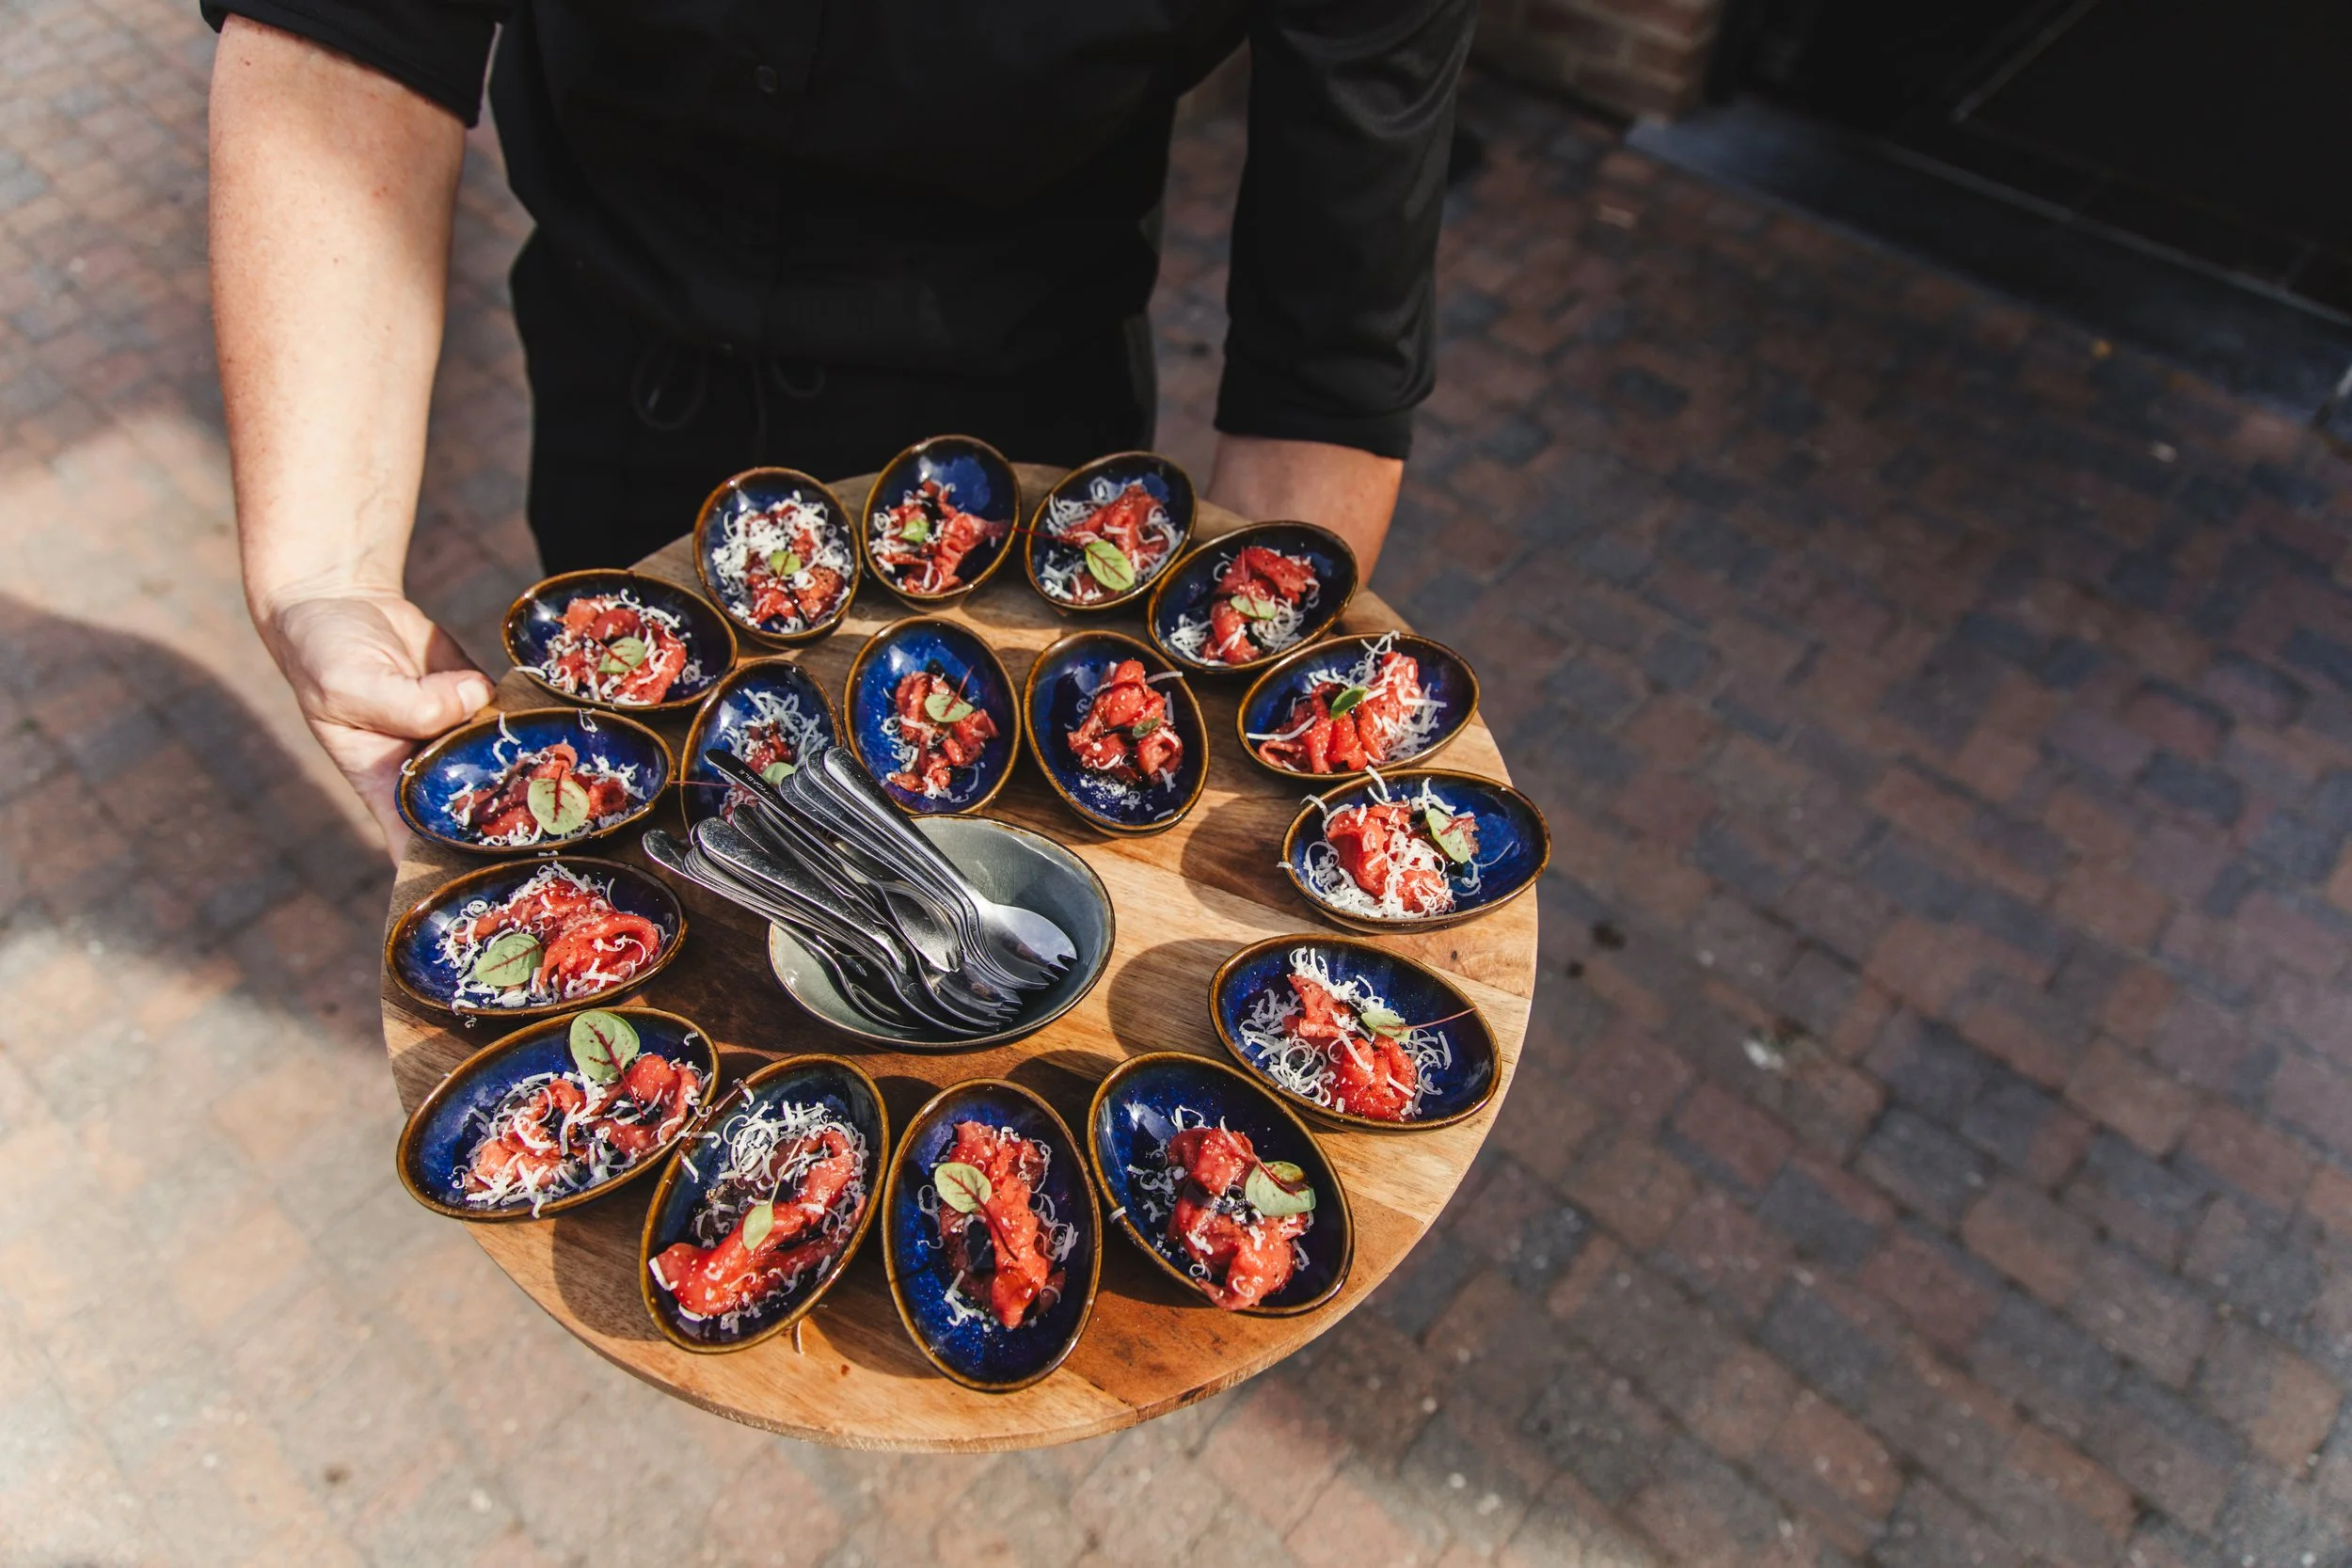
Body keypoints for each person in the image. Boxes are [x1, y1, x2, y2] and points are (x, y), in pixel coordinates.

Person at [206, 1, 1473, 856]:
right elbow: (348, 27)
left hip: (1024, 488)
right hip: (631, 395)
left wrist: (1234, 702)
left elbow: (1325, 350)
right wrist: (323, 563)